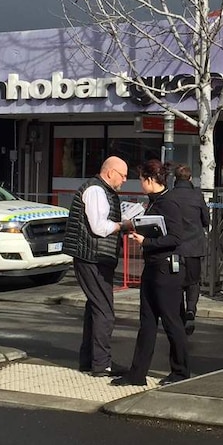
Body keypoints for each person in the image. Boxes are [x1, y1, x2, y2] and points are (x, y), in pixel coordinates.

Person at [112, 159, 190, 387]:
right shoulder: (155, 202)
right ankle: (137, 374)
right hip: (153, 268)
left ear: (148, 179)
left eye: (140, 179)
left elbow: (175, 237)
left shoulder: (168, 203)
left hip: (167, 270)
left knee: (172, 322)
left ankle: (181, 372)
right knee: (147, 322)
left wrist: (147, 241)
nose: (139, 184)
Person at [62, 156, 134, 377]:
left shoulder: (101, 190)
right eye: (122, 175)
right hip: (92, 256)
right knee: (104, 311)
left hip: (94, 255)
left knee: (95, 309)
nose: (124, 180)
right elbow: (99, 227)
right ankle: (101, 364)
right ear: (110, 172)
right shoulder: (95, 191)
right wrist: (124, 224)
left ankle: (90, 361)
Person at [171, 164, 210, 335]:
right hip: (194, 245)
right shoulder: (197, 195)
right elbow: (206, 219)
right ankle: (191, 309)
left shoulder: (170, 195)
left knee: (177, 281)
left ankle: (179, 313)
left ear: (175, 178)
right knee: (194, 280)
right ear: (190, 178)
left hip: (175, 246)